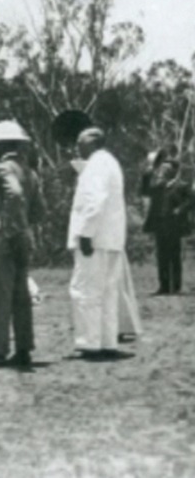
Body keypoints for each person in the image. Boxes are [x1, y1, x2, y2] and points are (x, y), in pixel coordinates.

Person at [0, 121, 45, 369]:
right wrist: (22, 227)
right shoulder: (30, 172)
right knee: (21, 297)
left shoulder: (3, 169)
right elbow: (39, 210)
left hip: (2, 238)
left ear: (1, 146)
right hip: (23, 238)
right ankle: (24, 347)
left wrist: (10, 226)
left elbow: (13, 194)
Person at [67, 128, 142, 356]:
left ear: (92, 141)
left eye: (80, 141)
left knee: (85, 291)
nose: (77, 146)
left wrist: (86, 233)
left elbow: (94, 200)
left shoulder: (97, 164)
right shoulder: (109, 162)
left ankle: (89, 343)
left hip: (96, 239)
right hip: (111, 240)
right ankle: (107, 342)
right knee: (108, 293)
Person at [140, 157, 192, 294]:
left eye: (166, 169)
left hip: (174, 226)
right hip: (160, 225)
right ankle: (163, 286)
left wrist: (180, 209)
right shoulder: (158, 187)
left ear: (174, 171)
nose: (163, 171)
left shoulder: (182, 185)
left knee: (174, 256)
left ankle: (175, 287)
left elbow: (191, 201)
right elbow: (145, 191)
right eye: (162, 168)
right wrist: (148, 172)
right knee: (162, 256)